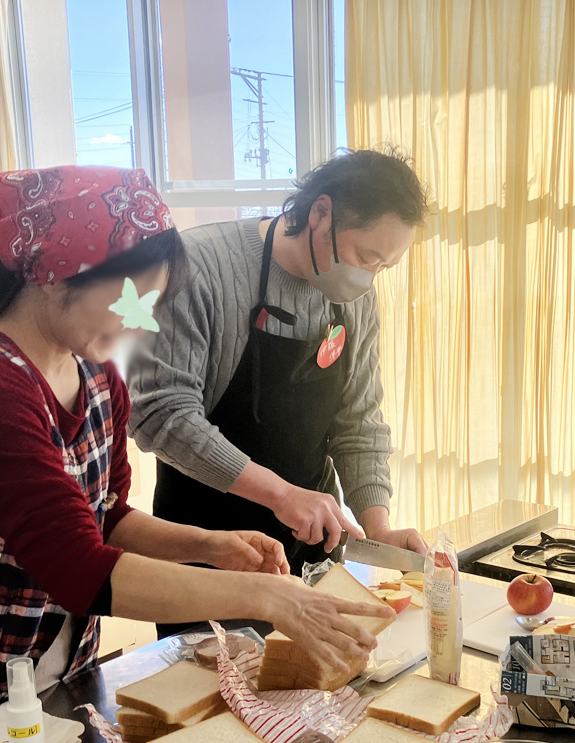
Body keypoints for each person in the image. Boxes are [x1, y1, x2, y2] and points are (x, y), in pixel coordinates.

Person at [0, 166, 389, 743]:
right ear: (59, 273)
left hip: (43, 681)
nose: (139, 321)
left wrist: (210, 544)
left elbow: (105, 515)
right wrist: (265, 596)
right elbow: (80, 569)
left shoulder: (94, 376)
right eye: (128, 298)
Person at [127, 149, 428, 633]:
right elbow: (161, 414)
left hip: (311, 552)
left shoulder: (356, 301)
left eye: (384, 267)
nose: (368, 278)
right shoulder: (198, 266)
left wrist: (380, 531)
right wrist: (281, 494)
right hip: (209, 551)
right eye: (366, 257)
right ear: (320, 213)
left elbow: (359, 422)